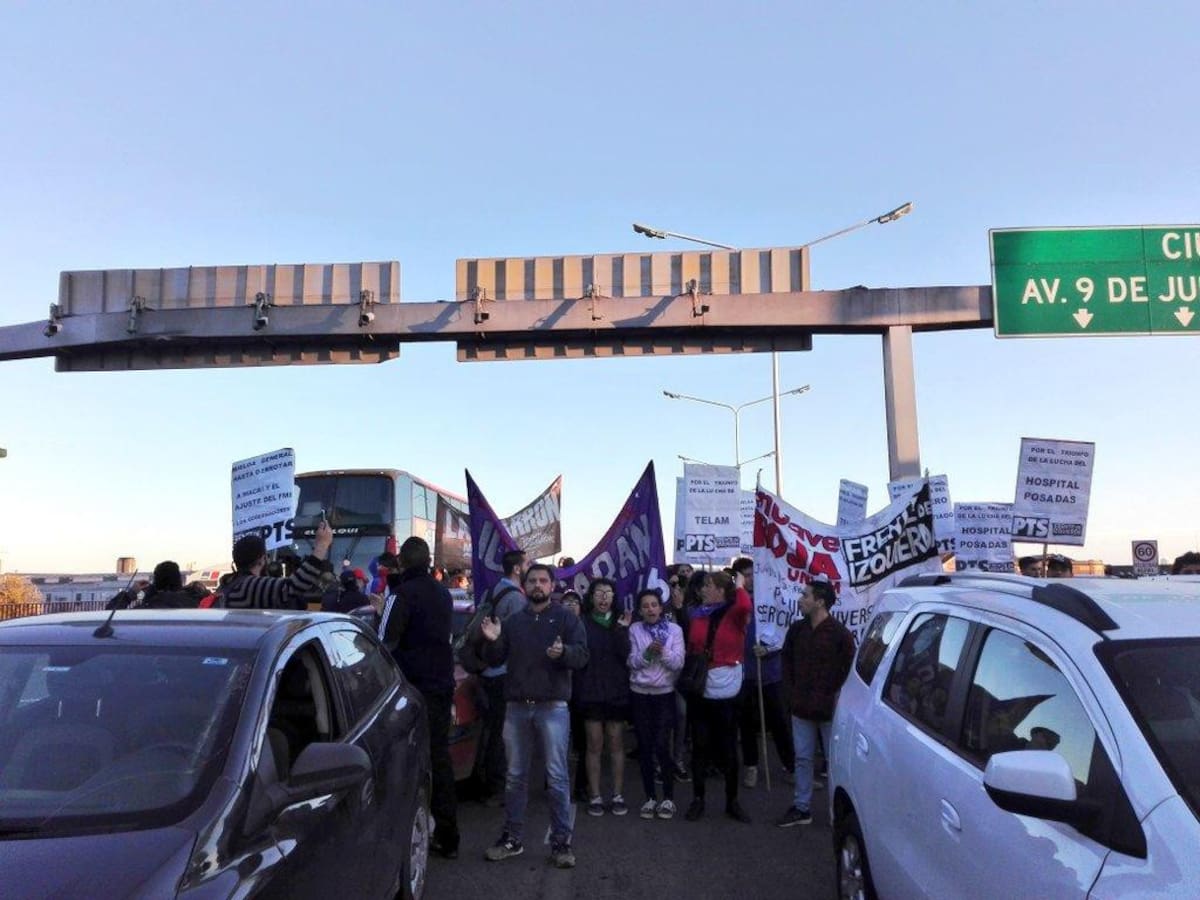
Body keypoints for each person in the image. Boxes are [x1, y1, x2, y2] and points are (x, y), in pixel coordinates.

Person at [480, 563, 588, 869]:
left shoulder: (566, 619)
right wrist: (492, 639)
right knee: (515, 777)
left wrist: (563, 653)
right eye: (532, 580)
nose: (537, 585)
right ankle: (512, 839)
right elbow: (495, 659)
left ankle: (561, 843)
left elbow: (582, 656)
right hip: (516, 709)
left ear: (552, 586)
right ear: (524, 586)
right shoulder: (513, 622)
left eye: (543, 580)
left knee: (556, 778)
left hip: (553, 708)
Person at [379, 537, 460, 859]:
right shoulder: (442, 593)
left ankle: (402, 834)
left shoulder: (401, 595)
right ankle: (448, 834)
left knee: (404, 762)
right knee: (440, 761)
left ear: (401, 561)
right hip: (440, 686)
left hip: (409, 690)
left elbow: (385, 642)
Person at [777, 580, 857, 827]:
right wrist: (790, 695)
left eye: (805, 595)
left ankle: (838, 811)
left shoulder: (840, 635)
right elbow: (787, 663)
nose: (801, 599)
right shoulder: (797, 630)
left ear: (820, 601)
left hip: (830, 711)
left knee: (836, 763)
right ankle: (802, 807)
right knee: (802, 758)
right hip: (801, 707)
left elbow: (849, 671)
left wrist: (837, 699)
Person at [684, 569, 753, 824]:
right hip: (702, 687)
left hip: (727, 687)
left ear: (722, 591)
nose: (703, 589)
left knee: (727, 746)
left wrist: (740, 585)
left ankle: (731, 801)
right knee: (700, 745)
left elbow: (744, 602)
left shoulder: (735, 613)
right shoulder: (698, 615)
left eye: (709, 585)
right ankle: (698, 798)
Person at [731, 558, 794, 789]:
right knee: (747, 722)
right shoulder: (735, 602)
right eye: (744, 575)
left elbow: (784, 631)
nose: (749, 579)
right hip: (744, 671)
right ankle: (751, 765)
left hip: (771, 671)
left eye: (751, 574)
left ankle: (791, 766)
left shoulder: (772, 600)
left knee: (779, 721)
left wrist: (769, 648)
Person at [473, 549, 528, 805]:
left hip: (489, 670)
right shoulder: (516, 598)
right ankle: (497, 788)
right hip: (503, 672)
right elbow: (517, 638)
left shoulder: (494, 590)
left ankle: (489, 782)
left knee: (494, 730)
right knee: (504, 733)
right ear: (517, 569)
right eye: (527, 564)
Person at [576, 578, 633, 817]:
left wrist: (621, 631)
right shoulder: (582, 623)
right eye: (599, 592)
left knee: (616, 742)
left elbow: (626, 655)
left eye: (608, 593)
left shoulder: (622, 623)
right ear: (591, 597)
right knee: (594, 744)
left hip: (616, 692)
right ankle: (595, 795)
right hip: (591, 692)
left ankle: (617, 794)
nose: (603, 597)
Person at [628, 587, 685, 819]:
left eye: (654, 605)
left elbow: (678, 662)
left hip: (664, 694)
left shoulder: (674, 630)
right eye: (645, 606)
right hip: (640, 694)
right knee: (645, 746)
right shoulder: (634, 629)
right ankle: (650, 797)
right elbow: (631, 662)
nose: (650, 609)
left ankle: (669, 798)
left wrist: (662, 652)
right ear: (640, 611)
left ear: (661, 608)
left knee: (663, 744)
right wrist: (646, 655)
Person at [218, 520, 331, 609]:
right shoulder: (249, 586)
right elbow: (294, 586)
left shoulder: (228, 584)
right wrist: (322, 545)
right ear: (262, 559)